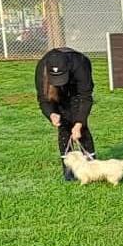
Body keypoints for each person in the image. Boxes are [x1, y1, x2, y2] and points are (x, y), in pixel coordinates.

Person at [34, 46, 95, 175]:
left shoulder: (80, 64)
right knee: (64, 123)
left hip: (76, 87)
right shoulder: (41, 69)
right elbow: (43, 99)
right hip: (55, 89)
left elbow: (85, 97)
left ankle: (91, 167)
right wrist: (51, 114)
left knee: (80, 126)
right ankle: (69, 170)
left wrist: (79, 123)